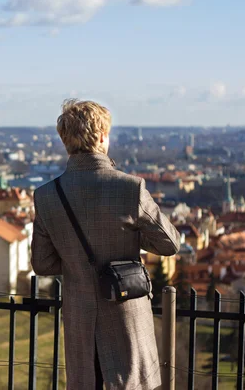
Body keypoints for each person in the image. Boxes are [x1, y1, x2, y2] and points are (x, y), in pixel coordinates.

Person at [31, 99, 181, 390]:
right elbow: (170, 243)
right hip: (127, 320)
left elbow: (43, 263)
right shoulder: (130, 188)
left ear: (65, 140)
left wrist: (77, 261)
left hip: (80, 322)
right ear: (101, 136)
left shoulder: (46, 196)